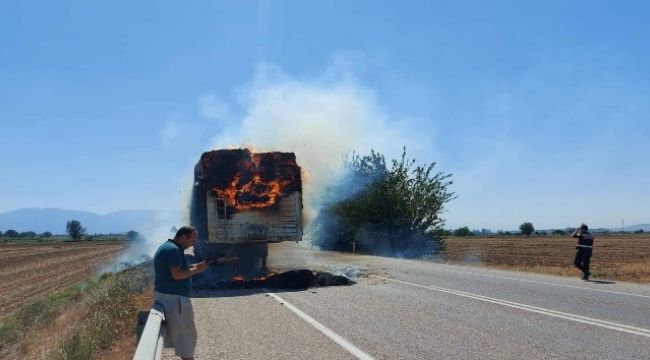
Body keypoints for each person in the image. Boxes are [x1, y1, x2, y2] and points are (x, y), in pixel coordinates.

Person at [154, 226, 211, 360]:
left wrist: (199, 265)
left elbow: (180, 269)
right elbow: (177, 275)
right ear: (182, 237)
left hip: (168, 297)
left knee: (183, 335)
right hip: (174, 300)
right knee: (185, 335)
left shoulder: (168, 247)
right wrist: (197, 270)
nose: (192, 244)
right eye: (191, 241)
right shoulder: (174, 251)